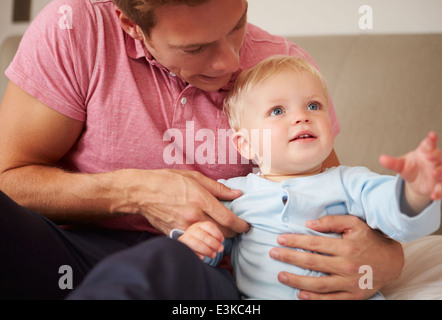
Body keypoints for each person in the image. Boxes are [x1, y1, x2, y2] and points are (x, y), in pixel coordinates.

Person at [0, 0, 403, 300]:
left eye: (238, 23)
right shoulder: (75, 29)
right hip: (72, 250)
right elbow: (7, 179)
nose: (229, 61)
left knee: (160, 264)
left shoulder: (283, 69)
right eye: (195, 48)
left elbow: (327, 197)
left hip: (200, 273)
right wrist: (134, 192)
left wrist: (386, 258)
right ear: (131, 25)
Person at [173, 56, 442, 299]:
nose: (302, 117)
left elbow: (393, 212)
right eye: (278, 111)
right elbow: (209, 243)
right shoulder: (234, 194)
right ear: (246, 145)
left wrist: (416, 192)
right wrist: (197, 242)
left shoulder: (349, 182)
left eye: (314, 105)